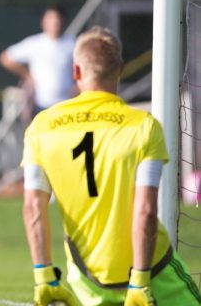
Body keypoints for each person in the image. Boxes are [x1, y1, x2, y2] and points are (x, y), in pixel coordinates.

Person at [21, 26, 201, 306]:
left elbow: (33, 206)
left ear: (76, 72)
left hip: (87, 277)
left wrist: (43, 275)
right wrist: (139, 281)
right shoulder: (143, 126)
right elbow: (145, 210)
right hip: (152, 271)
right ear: (120, 69)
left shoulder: (41, 127)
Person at [0, 6, 77, 118]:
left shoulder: (73, 42)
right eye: (50, 18)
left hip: (67, 105)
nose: (55, 22)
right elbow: (5, 58)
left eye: (57, 18)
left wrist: (78, 86)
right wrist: (27, 75)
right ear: (43, 22)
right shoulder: (34, 43)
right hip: (41, 106)